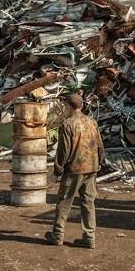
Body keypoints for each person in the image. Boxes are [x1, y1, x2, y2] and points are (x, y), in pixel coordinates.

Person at [45, 92, 105, 249]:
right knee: (88, 203)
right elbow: (100, 145)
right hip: (91, 168)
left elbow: (63, 152)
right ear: (82, 106)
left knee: (64, 202)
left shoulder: (67, 124)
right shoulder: (92, 122)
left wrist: (57, 171)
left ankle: (57, 236)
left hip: (74, 169)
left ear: (68, 107)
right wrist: (100, 162)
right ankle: (89, 237)